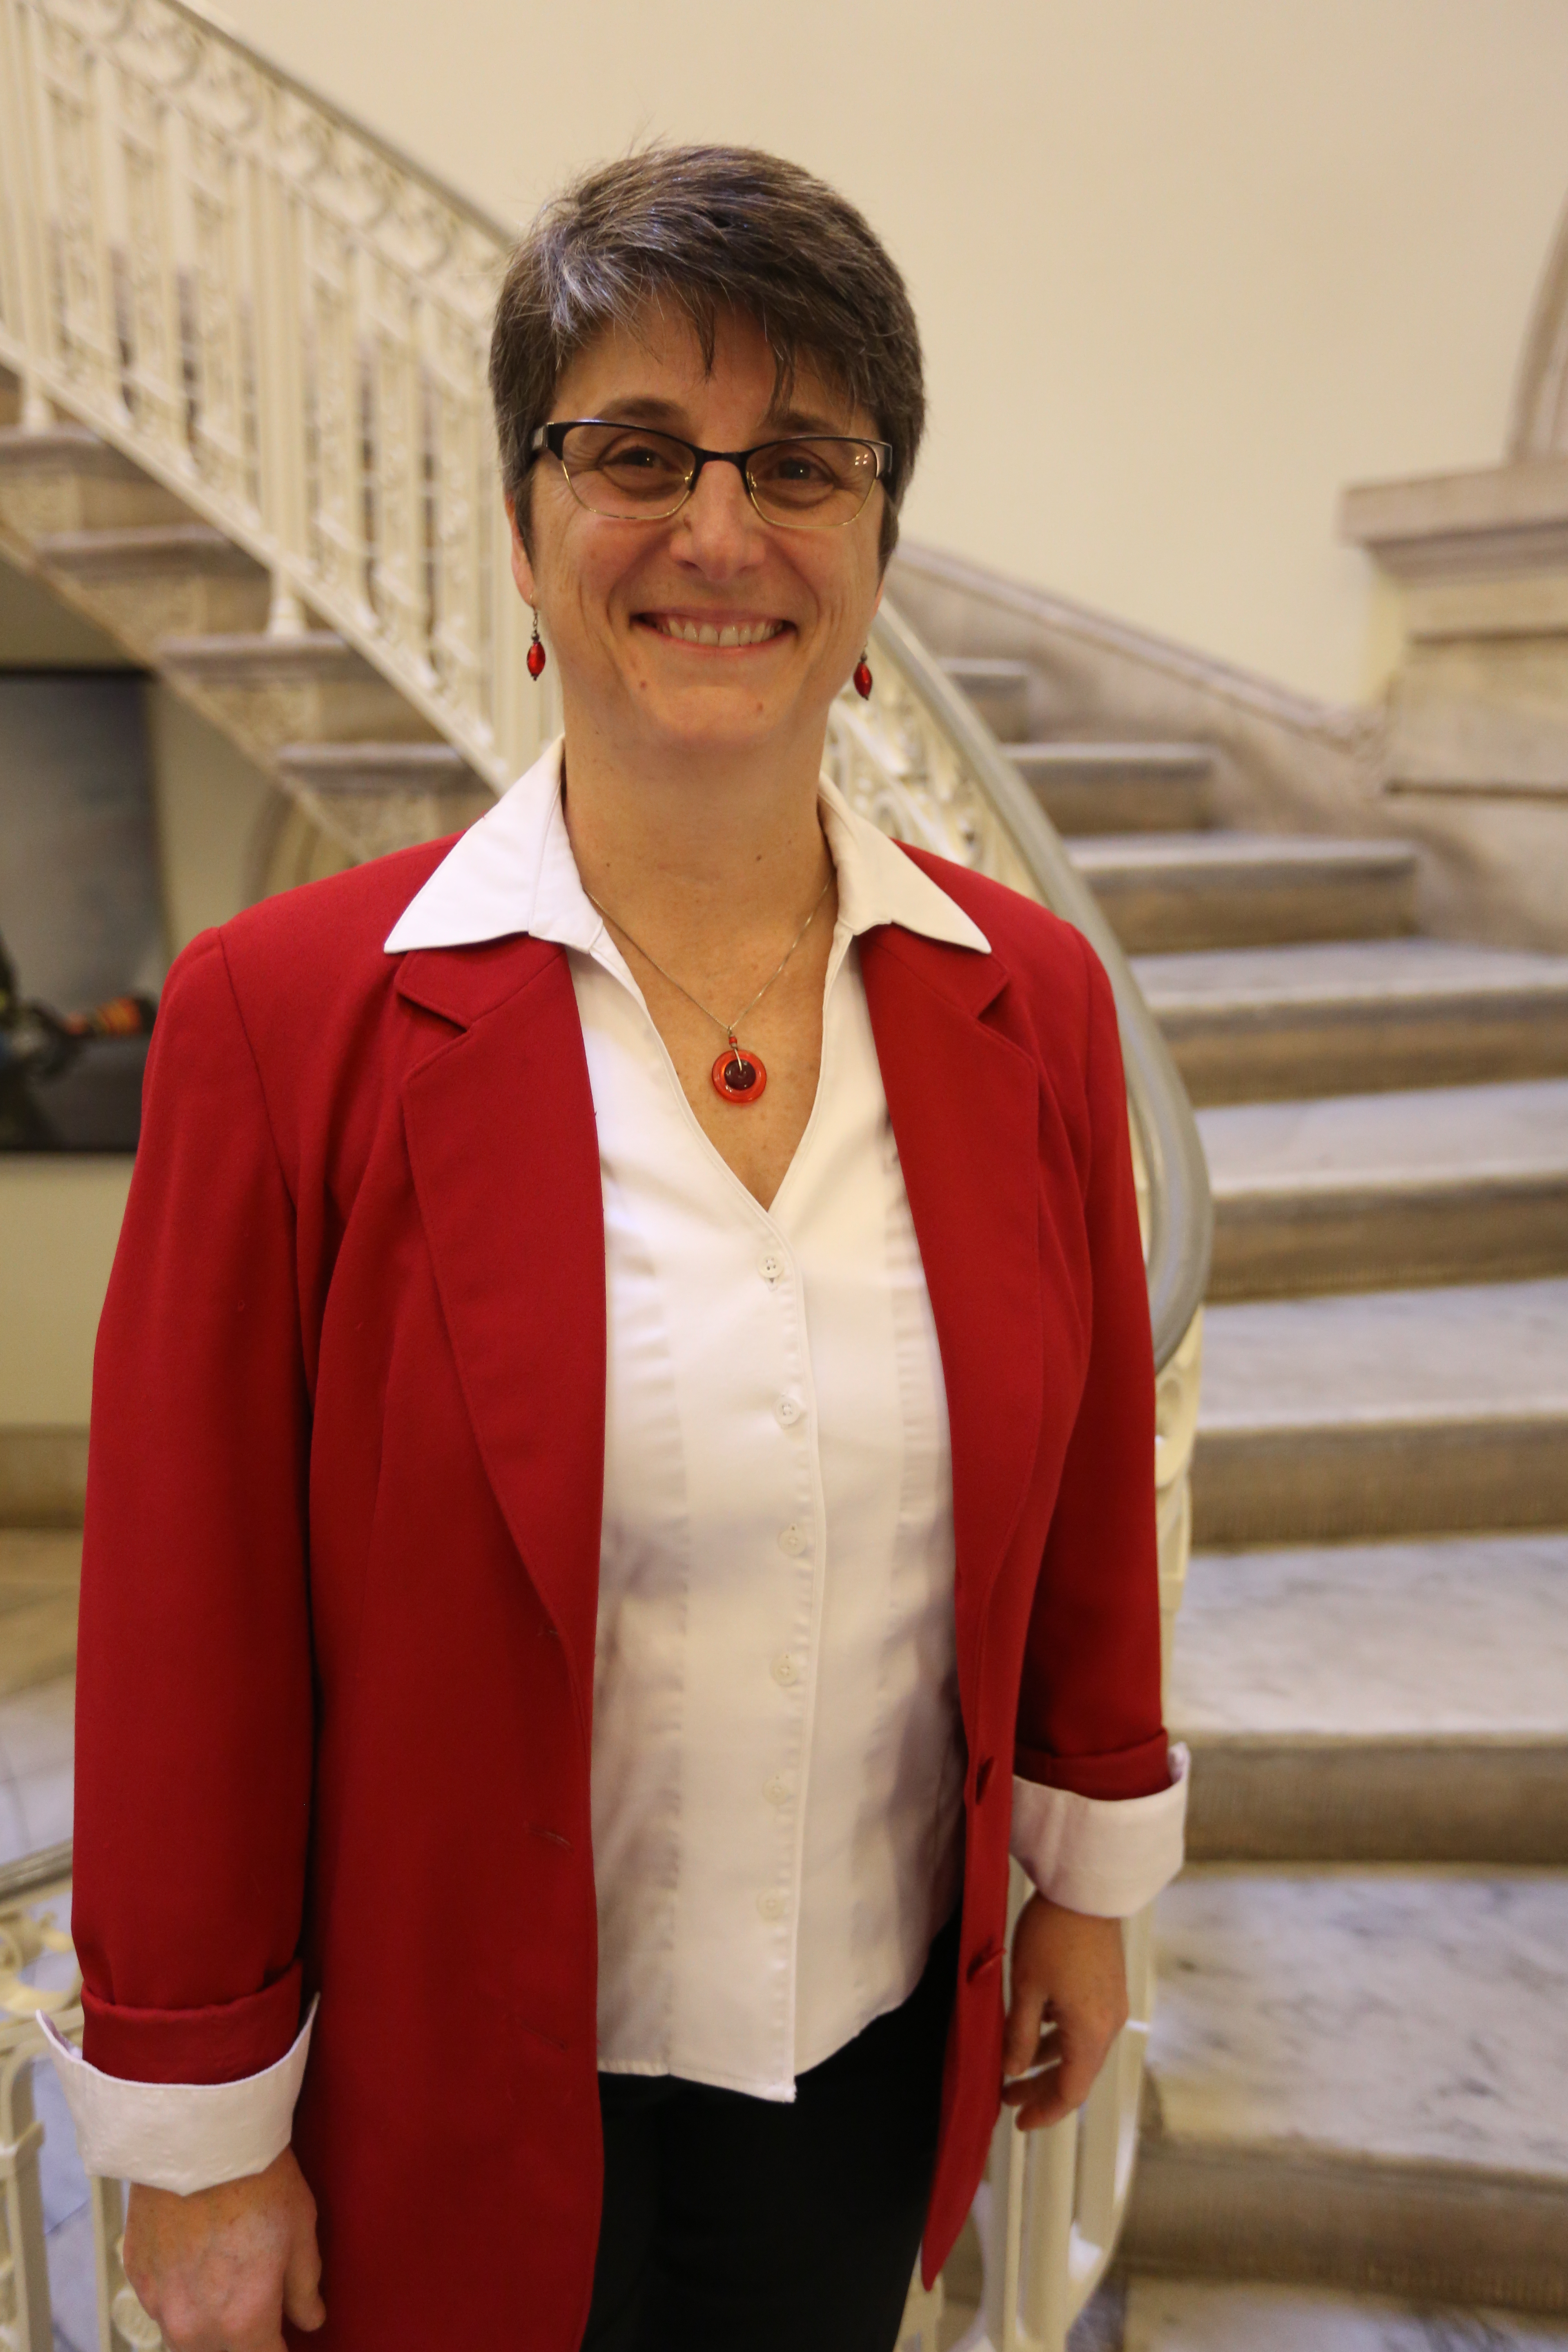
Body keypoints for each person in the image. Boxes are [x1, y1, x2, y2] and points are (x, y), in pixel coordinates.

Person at [47, 145, 1186, 2352]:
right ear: (524, 535)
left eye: (802, 466)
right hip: (438, 2116)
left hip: (862, 2074)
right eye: (639, 454)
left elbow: (1084, 1493)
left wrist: (1086, 1880)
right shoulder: (291, 1024)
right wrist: (202, 2139)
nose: (721, 530)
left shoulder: (1021, 1001)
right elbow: (186, 1627)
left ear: (872, 557)